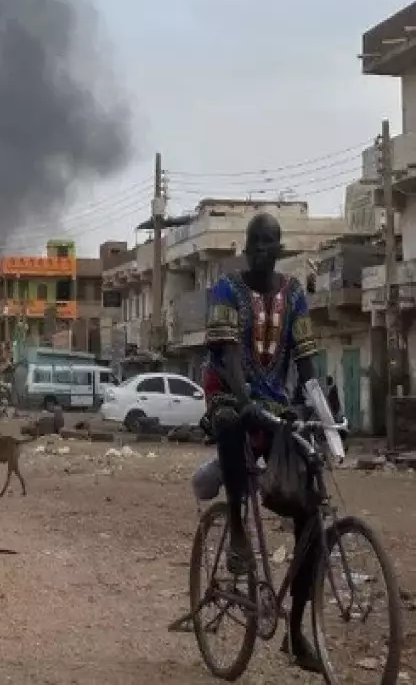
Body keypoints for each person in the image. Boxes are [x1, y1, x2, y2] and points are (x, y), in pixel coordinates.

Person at [203, 212, 325, 673]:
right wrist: (247, 400)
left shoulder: (294, 293)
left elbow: (308, 361)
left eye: (268, 242)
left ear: (279, 247)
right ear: (245, 245)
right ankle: (235, 524)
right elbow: (229, 357)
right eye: (253, 242)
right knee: (233, 421)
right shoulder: (225, 290)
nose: (260, 249)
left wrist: (319, 412)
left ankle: (295, 632)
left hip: (277, 406)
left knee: (312, 513)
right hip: (228, 393)